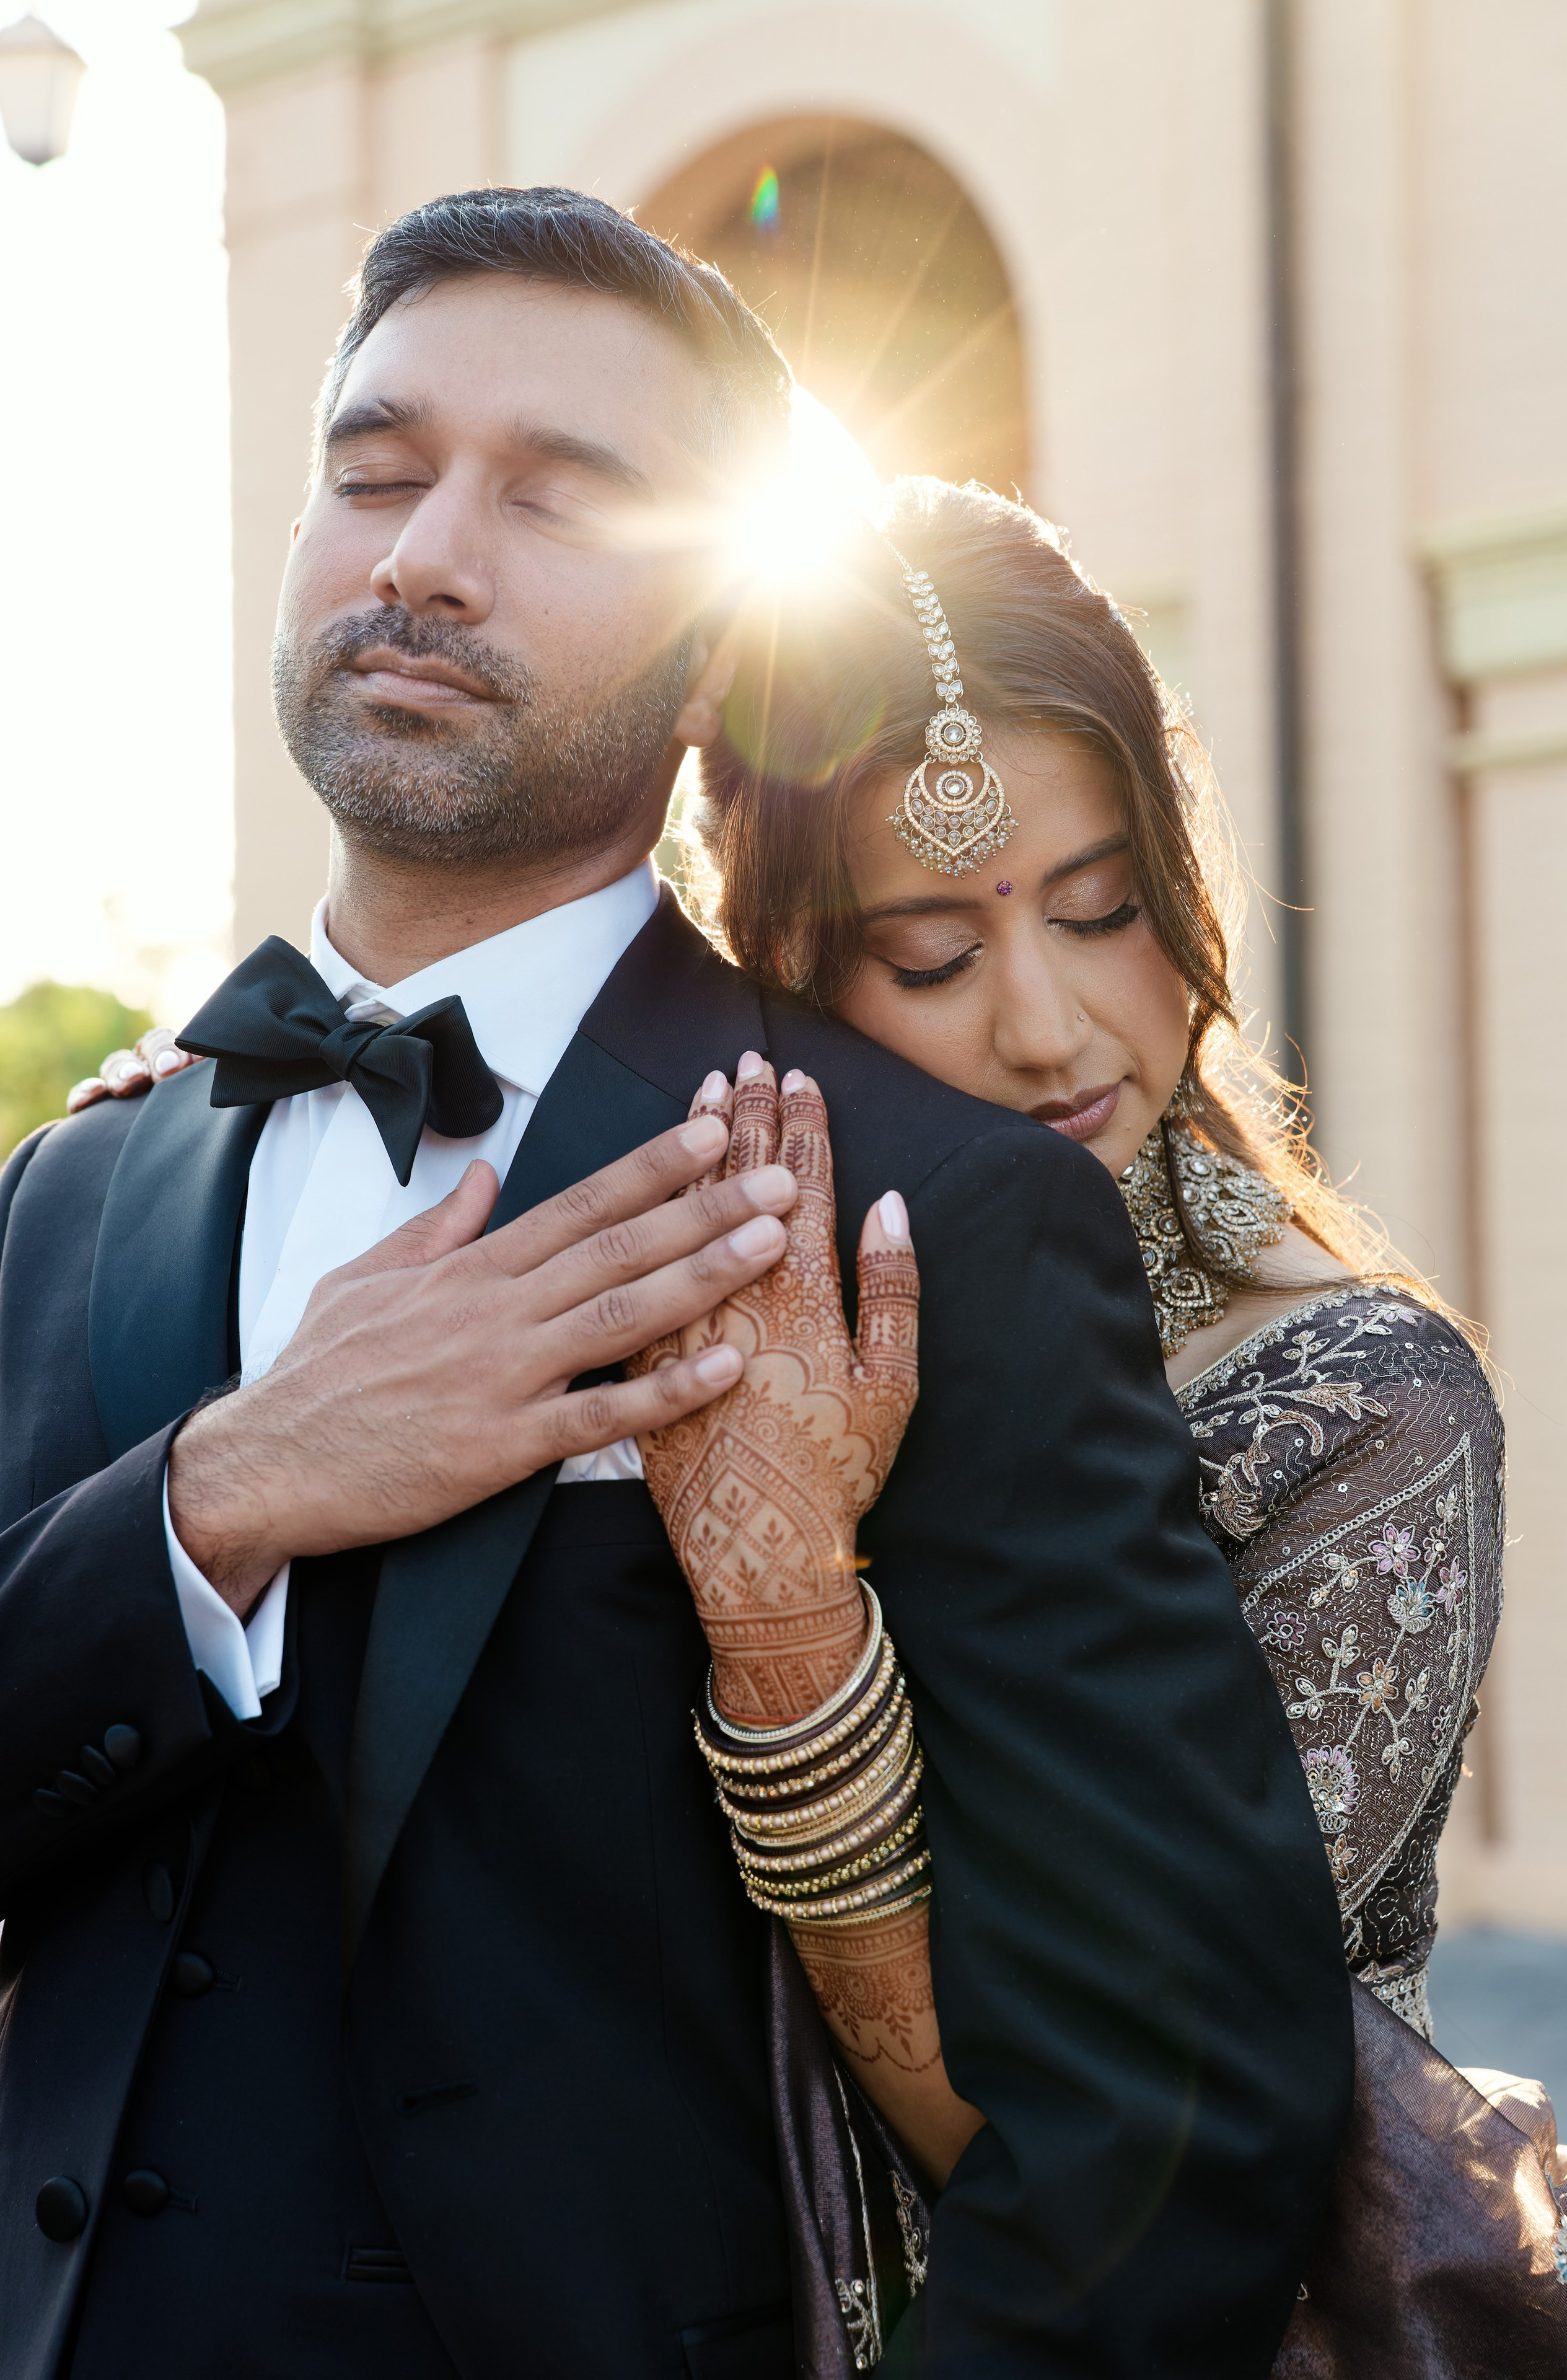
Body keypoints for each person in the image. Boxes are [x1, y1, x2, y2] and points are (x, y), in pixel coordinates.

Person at [0, 191, 1350, 2379]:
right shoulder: (74, 1189)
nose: (425, 553)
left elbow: (1173, 2123)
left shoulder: (923, 1208)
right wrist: (223, 1495)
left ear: (716, 649)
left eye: (560, 496)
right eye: (374, 470)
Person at [644, 474, 1567, 2369]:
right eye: (934, 956)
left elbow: (1121, 2135)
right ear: (795, 967)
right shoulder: (701, 1314)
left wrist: (795, 1643)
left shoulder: (1357, 1415)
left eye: (1104, 912)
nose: (1054, 1027)